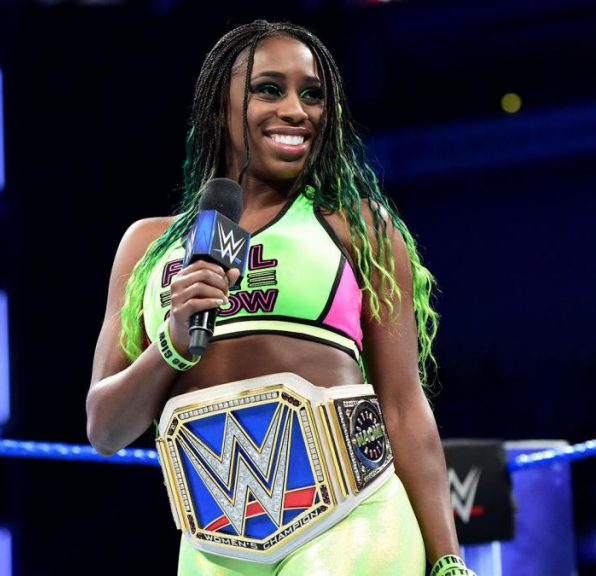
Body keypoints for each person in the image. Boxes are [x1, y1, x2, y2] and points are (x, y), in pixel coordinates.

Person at [86, 20, 474, 576]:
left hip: (352, 524)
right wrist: (171, 345)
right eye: (269, 89)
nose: (296, 110)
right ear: (219, 107)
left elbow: (403, 405)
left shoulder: (357, 228)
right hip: (212, 549)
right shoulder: (149, 246)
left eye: (311, 95)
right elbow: (105, 429)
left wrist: (448, 561)